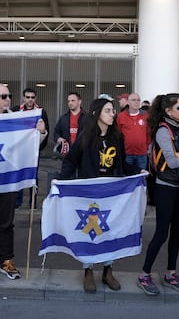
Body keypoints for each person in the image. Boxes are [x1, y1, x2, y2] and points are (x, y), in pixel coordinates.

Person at [60, 96, 142, 293]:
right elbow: (71, 161)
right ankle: (88, 271)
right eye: (107, 110)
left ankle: (108, 270)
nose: (112, 114)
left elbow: (121, 163)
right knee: (90, 231)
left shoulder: (117, 137)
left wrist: (138, 173)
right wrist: (61, 180)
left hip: (111, 192)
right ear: (97, 114)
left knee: (109, 230)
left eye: (113, 110)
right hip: (90, 191)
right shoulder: (85, 137)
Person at [0, 83, 47, 283]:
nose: (8, 99)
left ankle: (7, 260)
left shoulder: (15, 119)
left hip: (7, 180)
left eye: (9, 96)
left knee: (6, 224)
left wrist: (41, 132)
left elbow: (29, 145)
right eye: (3, 96)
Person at [137, 93, 179, 296]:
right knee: (162, 233)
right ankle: (144, 274)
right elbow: (171, 161)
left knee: (177, 233)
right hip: (165, 188)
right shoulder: (164, 131)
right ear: (168, 111)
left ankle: (171, 273)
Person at [11, 87, 49, 208]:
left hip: (33, 150)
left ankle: (32, 202)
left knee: (33, 176)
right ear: (23, 98)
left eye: (32, 97)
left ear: (35, 98)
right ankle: (17, 201)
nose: (30, 100)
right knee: (18, 174)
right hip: (19, 149)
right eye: (27, 97)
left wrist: (39, 148)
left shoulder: (41, 112)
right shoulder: (16, 110)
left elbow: (45, 131)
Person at [116, 92, 150, 169]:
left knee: (141, 177)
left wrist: (147, 147)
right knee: (127, 177)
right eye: (133, 100)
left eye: (138, 100)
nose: (136, 102)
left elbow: (149, 133)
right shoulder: (121, 116)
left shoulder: (146, 116)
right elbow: (118, 134)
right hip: (126, 153)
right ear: (128, 102)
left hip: (142, 154)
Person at [53, 92, 86, 158]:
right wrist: (59, 139)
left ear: (79, 101)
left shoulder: (87, 118)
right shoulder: (63, 118)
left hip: (83, 154)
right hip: (67, 155)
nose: (70, 103)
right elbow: (56, 133)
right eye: (69, 101)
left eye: (73, 100)